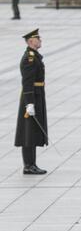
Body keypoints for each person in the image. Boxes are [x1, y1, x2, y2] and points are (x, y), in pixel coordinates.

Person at [15, 29, 48, 175]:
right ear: (30, 41)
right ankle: (28, 165)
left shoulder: (34, 56)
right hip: (31, 97)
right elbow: (27, 82)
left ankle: (32, 163)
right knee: (28, 132)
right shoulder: (29, 58)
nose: (40, 40)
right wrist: (29, 103)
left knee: (33, 130)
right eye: (37, 38)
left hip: (37, 95)